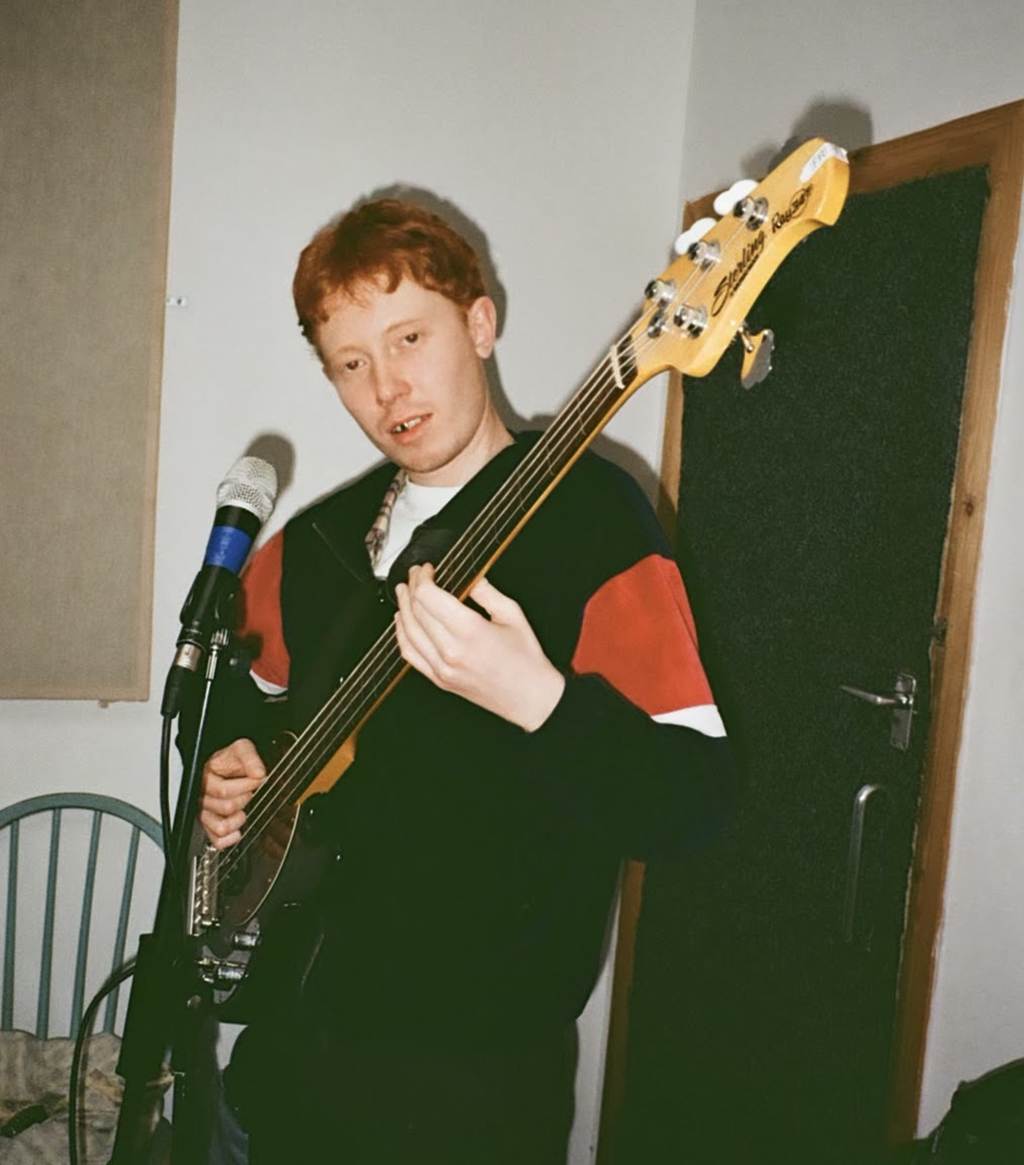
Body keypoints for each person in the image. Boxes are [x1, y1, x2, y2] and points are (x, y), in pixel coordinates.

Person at [197, 198, 735, 1163]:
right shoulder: (315, 545)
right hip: (282, 1069)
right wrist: (227, 764)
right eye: (351, 363)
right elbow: (226, 692)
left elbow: (694, 803)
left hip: (469, 1099)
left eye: (410, 338)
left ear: (480, 324)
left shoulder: (596, 523)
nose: (387, 387)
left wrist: (541, 703)